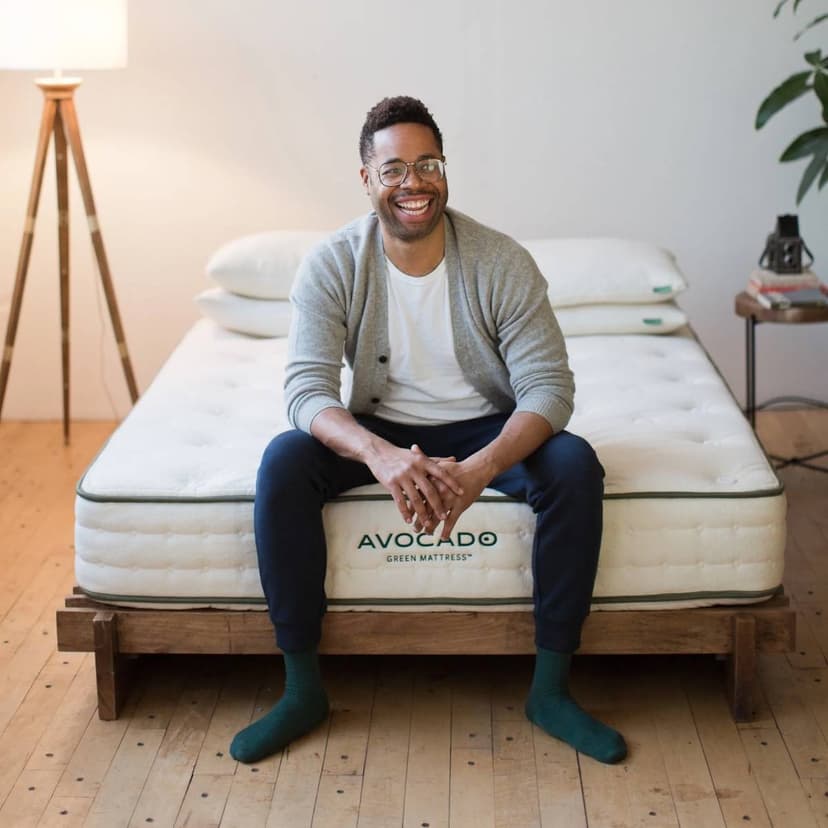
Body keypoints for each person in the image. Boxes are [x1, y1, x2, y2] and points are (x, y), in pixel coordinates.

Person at [230, 95, 627, 765]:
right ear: (367, 180)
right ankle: (302, 690)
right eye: (393, 169)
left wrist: (480, 469)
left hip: (484, 429)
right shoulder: (332, 264)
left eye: (427, 164)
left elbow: (549, 388)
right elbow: (305, 391)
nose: (412, 183)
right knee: (284, 461)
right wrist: (377, 454)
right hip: (380, 428)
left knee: (573, 465)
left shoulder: (501, 261)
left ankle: (551, 690)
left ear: (444, 170)